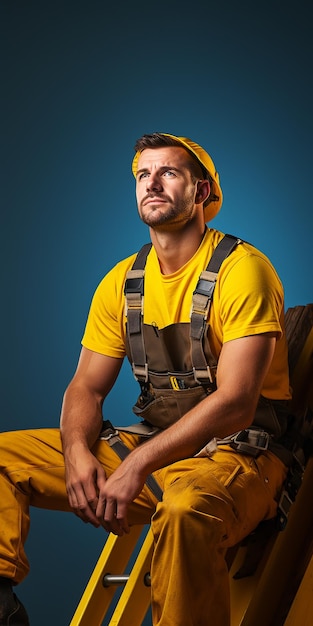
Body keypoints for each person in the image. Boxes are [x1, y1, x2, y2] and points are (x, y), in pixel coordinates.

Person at [0, 132, 292, 626]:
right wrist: (75, 453)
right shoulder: (122, 281)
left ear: (202, 192)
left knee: (182, 513)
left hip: (239, 458)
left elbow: (237, 402)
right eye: (142, 175)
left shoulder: (244, 271)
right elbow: (85, 389)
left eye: (168, 173)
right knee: (4, 459)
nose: (151, 183)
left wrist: (135, 469)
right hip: (157, 449)